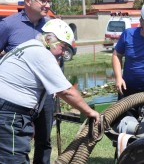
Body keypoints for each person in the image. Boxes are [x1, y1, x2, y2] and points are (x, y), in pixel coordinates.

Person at [0, 18, 100, 163]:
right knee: (13, 160)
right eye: (63, 46)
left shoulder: (29, 46)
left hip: (10, 112)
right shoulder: (42, 54)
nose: (63, 52)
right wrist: (90, 112)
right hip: (10, 115)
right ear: (48, 39)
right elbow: (66, 91)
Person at [0, 0, 55, 164]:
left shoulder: (51, 27)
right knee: (17, 140)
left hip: (44, 94)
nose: (48, 5)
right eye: (43, 1)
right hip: (17, 98)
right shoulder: (8, 25)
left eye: (49, 1)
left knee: (44, 140)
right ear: (28, 1)